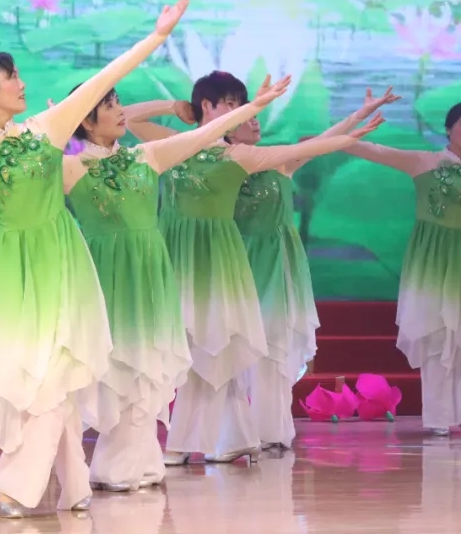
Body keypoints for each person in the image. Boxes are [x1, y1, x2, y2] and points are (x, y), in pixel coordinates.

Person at [0, 0, 192, 518]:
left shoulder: (44, 130)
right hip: (1, 272)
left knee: (52, 374)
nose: (22, 83)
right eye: (11, 77)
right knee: (34, 378)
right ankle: (74, 483)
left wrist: (157, 37)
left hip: (57, 262)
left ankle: (17, 485)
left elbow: (102, 79)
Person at [125, 72, 384, 466]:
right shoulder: (172, 145)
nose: (243, 114)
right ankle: (232, 437)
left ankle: (194, 441)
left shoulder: (238, 156)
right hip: (175, 258)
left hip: (217, 260)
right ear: (207, 106)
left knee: (213, 347)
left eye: (242, 106)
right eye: (231, 104)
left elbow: (310, 148)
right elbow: (129, 118)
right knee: (194, 350)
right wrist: (173, 107)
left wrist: (353, 128)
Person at [62, 75, 291, 491]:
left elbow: (203, 135)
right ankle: (111, 466)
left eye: (118, 102)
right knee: (112, 363)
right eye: (110, 106)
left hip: (149, 270)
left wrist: (255, 106)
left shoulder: (142, 156)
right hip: (102, 272)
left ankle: (139, 464)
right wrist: (170, 107)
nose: (121, 111)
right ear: (86, 121)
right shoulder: (72, 163)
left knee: (147, 365)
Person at [231, 86, 400, 450]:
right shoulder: (221, 165)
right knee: (238, 345)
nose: (256, 123)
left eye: (257, 117)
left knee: (274, 345)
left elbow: (321, 142)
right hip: (237, 260)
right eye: (247, 119)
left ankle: (272, 431)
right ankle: (236, 432)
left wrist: (359, 114)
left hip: (277, 261)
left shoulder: (278, 160)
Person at [339, 99, 461, 437]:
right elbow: (378, 151)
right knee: (438, 336)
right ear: (449, 128)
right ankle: (439, 417)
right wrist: (331, 141)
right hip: (435, 261)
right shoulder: (426, 161)